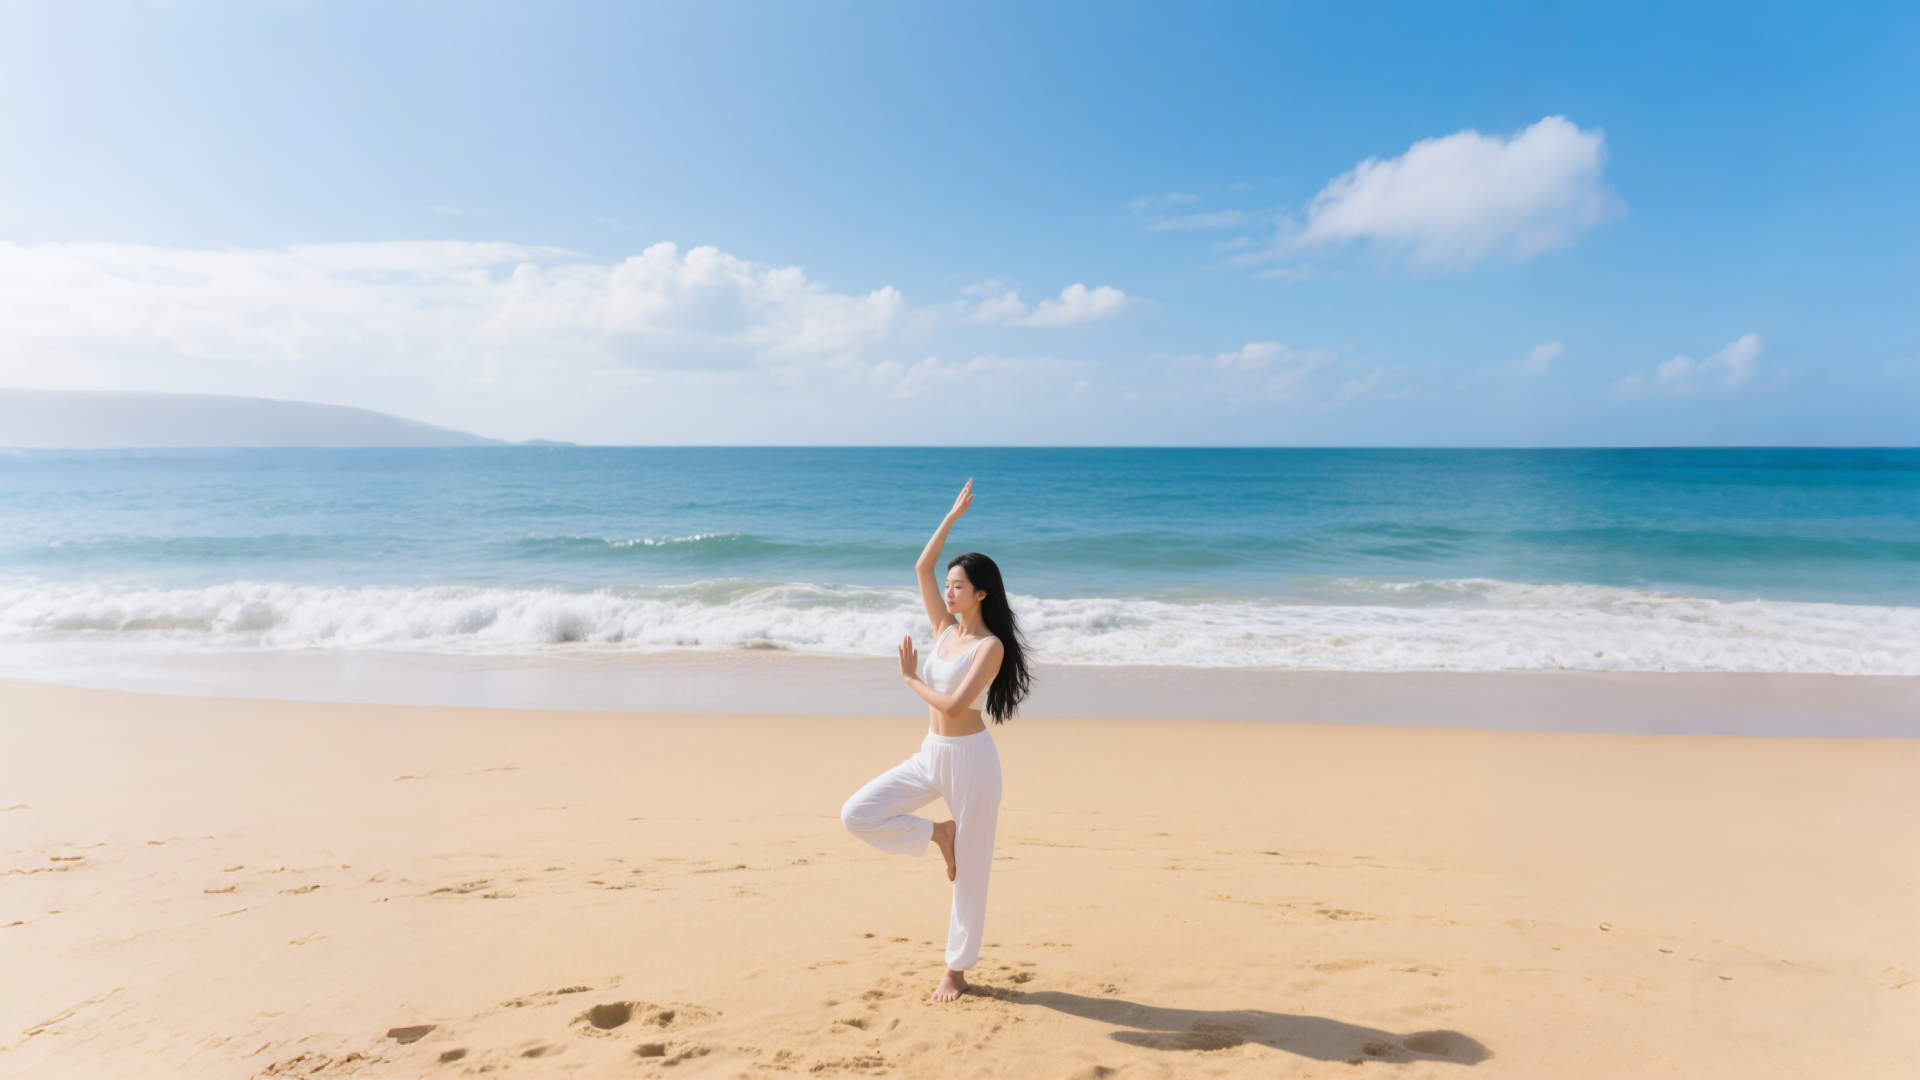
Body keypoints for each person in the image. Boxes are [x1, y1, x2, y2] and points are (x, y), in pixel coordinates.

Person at [839, 478, 1033, 1002]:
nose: (948, 591)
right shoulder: (945, 631)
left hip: (971, 762)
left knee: (971, 874)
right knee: (856, 813)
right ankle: (936, 834)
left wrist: (909, 679)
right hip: (932, 754)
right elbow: (921, 568)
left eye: (958, 586)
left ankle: (957, 971)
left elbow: (953, 705)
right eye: (948, 585)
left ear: (981, 593)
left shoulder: (988, 648)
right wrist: (950, 518)